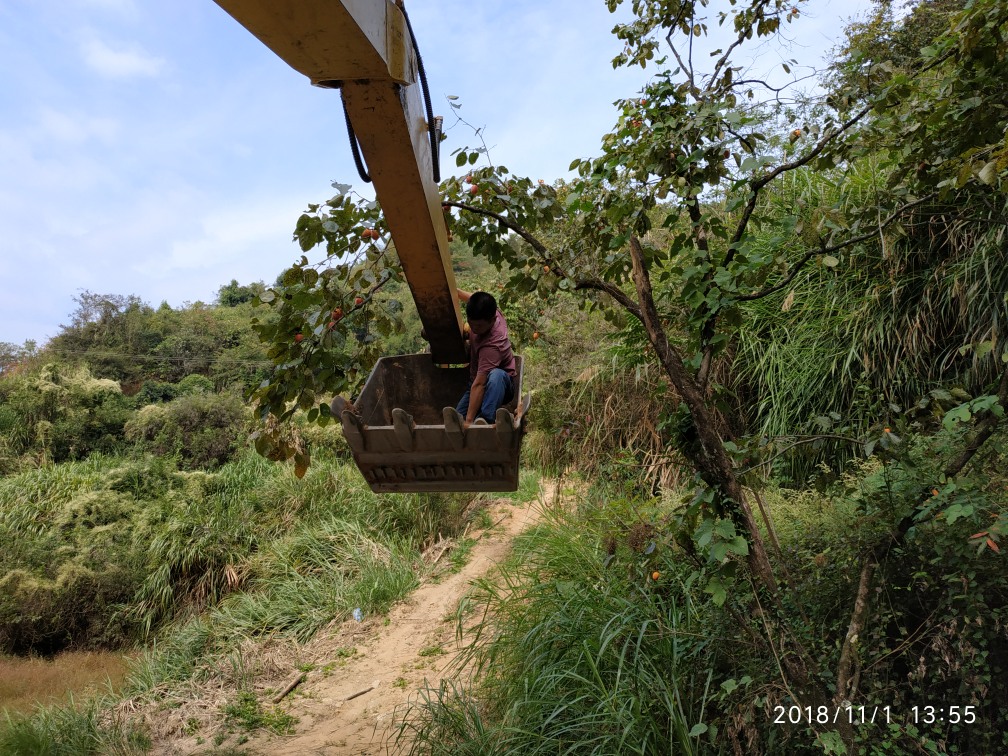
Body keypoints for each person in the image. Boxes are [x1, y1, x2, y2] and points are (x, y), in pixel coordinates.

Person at [454, 289, 516, 429]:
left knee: (496, 374)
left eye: (479, 326)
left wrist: (469, 422)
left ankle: (485, 420)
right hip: (475, 381)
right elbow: (474, 299)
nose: (474, 329)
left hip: (500, 386)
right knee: (457, 420)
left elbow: (480, 384)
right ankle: (476, 419)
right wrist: (453, 291)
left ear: (493, 320)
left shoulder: (493, 345)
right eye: (471, 323)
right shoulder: (489, 309)